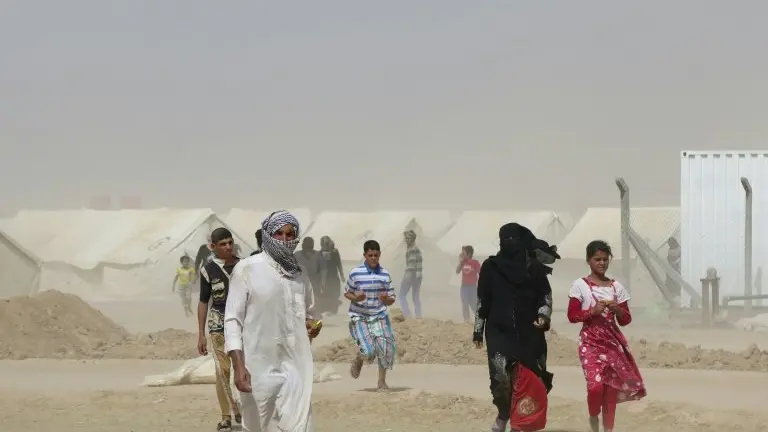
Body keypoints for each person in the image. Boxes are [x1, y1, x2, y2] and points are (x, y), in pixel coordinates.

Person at [224, 210, 321, 432]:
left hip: (296, 367)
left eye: (290, 234)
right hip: (258, 367)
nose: (285, 240)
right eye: (279, 234)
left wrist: (312, 326)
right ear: (267, 235)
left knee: (301, 427)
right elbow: (232, 321)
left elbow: (310, 314)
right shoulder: (247, 269)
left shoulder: (300, 274)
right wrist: (239, 367)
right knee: (258, 427)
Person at [473, 223, 555, 432]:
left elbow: (544, 295)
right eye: (506, 239)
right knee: (501, 378)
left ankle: (520, 423)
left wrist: (543, 317)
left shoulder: (533, 268)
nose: (510, 243)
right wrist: (477, 331)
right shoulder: (490, 267)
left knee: (531, 378)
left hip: (529, 333)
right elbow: (483, 300)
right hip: (499, 332)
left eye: (514, 239)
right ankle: (503, 414)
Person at [567, 240, 646, 432]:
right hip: (590, 344)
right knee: (595, 387)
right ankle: (594, 418)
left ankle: (608, 429)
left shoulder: (617, 287)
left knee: (611, 391)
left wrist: (617, 309)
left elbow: (626, 320)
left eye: (605, 259)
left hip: (612, 345)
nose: (601, 263)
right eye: (597, 259)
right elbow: (572, 316)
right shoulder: (580, 286)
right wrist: (591, 312)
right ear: (589, 260)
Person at [197, 228, 242, 431]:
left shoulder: (243, 267)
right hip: (218, 325)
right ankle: (226, 416)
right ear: (212, 247)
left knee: (245, 367)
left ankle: (245, 411)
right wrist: (201, 334)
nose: (228, 247)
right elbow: (203, 301)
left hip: (242, 324)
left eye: (230, 242)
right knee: (222, 371)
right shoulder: (208, 270)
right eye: (223, 244)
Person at [346, 240, 397, 391]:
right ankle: (360, 359)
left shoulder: (385, 274)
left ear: (380, 255)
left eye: (376, 255)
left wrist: (386, 299)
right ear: (365, 255)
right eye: (370, 255)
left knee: (385, 349)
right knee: (369, 352)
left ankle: (381, 383)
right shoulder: (356, 273)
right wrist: (356, 298)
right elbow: (347, 292)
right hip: (360, 316)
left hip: (379, 316)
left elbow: (392, 298)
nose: (374, 258)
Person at [295, 237, 323, 314]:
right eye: (307, 243)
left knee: (314, 301)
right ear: (303, 244)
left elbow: (322, 269)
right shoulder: (297, 255)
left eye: (310, 243)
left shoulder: (318, 255)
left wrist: (323, 282)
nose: (308, 245)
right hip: (300, 282)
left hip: (315, 282)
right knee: (300, 300)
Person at [400, 230, 423, 318]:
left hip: (412, 275)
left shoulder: (412, 249)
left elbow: (411, 266)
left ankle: (407, 314)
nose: (406, 240)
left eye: (408, 238)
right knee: (415, 297)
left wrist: (407, 277)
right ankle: (418, 316)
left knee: (402, 295)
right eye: (405, 238)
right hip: (418, 276)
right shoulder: (414, 248)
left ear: (412, 239)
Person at [319, 236, 345, 315]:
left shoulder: (334, 252)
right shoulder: (319, 253)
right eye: (323, 244)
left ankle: (333, 310)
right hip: (324, 277)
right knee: (326, 293)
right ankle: (328, 309)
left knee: (334, 293)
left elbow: (339, 264)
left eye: (326, 244)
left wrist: (342, 275)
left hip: (333, 276)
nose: (324, 246)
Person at [456, 245, 481, 323]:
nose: (463, 255)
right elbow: (457, 271)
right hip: (464, 286)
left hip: (472, 287)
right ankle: (466, 319)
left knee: (473, 303)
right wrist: (460, 261)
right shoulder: (463, 262)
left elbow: (481, 272)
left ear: (469, 254)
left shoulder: (475, 262)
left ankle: (479, 317)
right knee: (465, 302)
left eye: (464, 253)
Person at [665, 237, 682, 306]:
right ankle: (671, 297)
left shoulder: (679, 249)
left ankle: (677, 296)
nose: (669, 245)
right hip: (670, 269)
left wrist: (676, 262)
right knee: (669, 284)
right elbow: (669, 259)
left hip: (677, 269)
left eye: (670, 244)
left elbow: (680, 258)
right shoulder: (669, 250)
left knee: (677, 283)